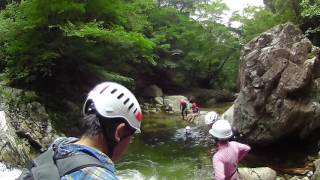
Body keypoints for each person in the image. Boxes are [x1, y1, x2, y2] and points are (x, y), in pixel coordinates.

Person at [18, 82, 143, 180]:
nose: (129, 143)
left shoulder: (58, 147)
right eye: (131, 137)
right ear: (119, 132)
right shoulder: (99, 177)